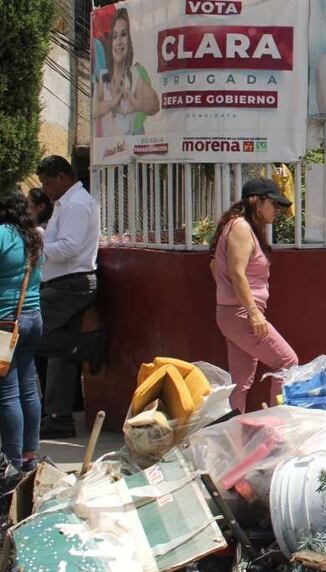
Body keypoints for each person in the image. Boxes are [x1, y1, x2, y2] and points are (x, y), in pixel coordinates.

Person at [210, 178, 298, 413]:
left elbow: (215, 266)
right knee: (287, 363)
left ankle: (232, 437)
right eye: (273, 204)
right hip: (242, 314)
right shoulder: (240, 227)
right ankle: (278, 429)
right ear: (255, 201)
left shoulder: (243, 227)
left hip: (234, 314)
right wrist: (252, 312)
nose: (277, 211)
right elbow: (237, 273)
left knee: (240, 383)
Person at [35, 156, 100, 440]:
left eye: (48, 182)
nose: (46, 189)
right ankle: (59, 417)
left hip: (70, 284)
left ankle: (85, 346)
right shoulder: (68, 204)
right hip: (65, 282)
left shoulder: (76, 204)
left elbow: (70, 247)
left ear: (63, 177)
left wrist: (36, 249)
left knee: (30, 333)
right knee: (59, 355)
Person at [0, 193, 44, 471]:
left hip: (5, 323)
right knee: (28, 389)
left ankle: (12, 463)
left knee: (7, 393)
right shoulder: (34, 236)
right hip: (33, 318)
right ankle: (29, 456)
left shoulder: (2, 234)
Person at [92, 7, 160, 138]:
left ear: (129, 40)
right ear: (111, 42)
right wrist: (112, 103)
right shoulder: (104, 76)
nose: (119, 42)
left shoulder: (134, 76)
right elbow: (93, 110)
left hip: (132, 152)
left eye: (123, 34)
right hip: (108, 153)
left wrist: (137, 105)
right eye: (115, 36)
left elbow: (155, 105)